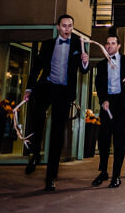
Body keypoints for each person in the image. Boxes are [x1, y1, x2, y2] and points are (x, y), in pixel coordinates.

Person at [24, 14, 91, 191]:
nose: (67, 29)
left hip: (64, 92)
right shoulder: (47, 44)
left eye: (70, 26)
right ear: (57, 27)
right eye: (64, 26)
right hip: (46, 87)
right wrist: (29, 88)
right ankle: (35, 153)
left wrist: (85, 63)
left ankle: (50, 177)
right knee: (37, 119)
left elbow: (84, 71)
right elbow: (36, 67)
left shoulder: (78, 44)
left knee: (57, 133)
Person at [92, 34, 125, 189]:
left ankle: (116, 176)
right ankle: (103, 172)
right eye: (107, 43)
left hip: (122, 106)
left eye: (113, 43)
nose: (109, 46)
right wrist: (103, 101)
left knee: (119, 142)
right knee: (103, 141)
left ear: (119, 46)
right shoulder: (101, 65)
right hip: (108, 105)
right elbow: (99, 86)